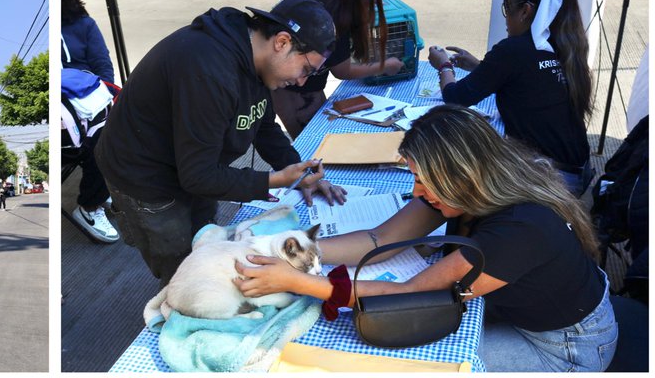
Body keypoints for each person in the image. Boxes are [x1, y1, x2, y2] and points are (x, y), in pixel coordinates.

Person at [233, 104, 617, 373]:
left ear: (460, 174)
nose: (417, 192)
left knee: (422, 365)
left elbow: (409, 296)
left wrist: (297, 281)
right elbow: (379, 237)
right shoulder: (468, 189)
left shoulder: (517, 231)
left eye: (423, 180)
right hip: (531, 312)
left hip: (567, 348)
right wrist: (298, 253)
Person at [95, 0, 345, 284]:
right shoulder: (209, 70)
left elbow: (262, 124)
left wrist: (299, 171)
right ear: (282, 42)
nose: (302, 81)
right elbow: (198, 176)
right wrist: (274, 180)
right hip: (145, 177)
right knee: (185, 273)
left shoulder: (258, 59)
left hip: (196, 166)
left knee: (207, 243)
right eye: (306, 69)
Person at [433, 0, 594, 195]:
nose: (506, 19)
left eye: (507, 9)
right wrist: (480, 67)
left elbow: (455, 98)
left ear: (525, 11)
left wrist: (443, 65)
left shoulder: (512, 50)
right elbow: (530, 81)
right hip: (578, 172)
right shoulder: (566, 44)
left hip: (550, 181)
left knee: (459, 176)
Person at [272, 0, 402, 136]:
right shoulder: (335, 10)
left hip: (291, 79)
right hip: (291, 89)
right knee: (312, 138)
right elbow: (342, 71)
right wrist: (384, 66)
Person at [63, 0, 119, 244]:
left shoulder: (84, 25)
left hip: (91, 99)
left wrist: (101, 99)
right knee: (104, 141)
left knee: (120, 127)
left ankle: (103, 188)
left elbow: (104, 68)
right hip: (62, 119)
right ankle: (90, 206)